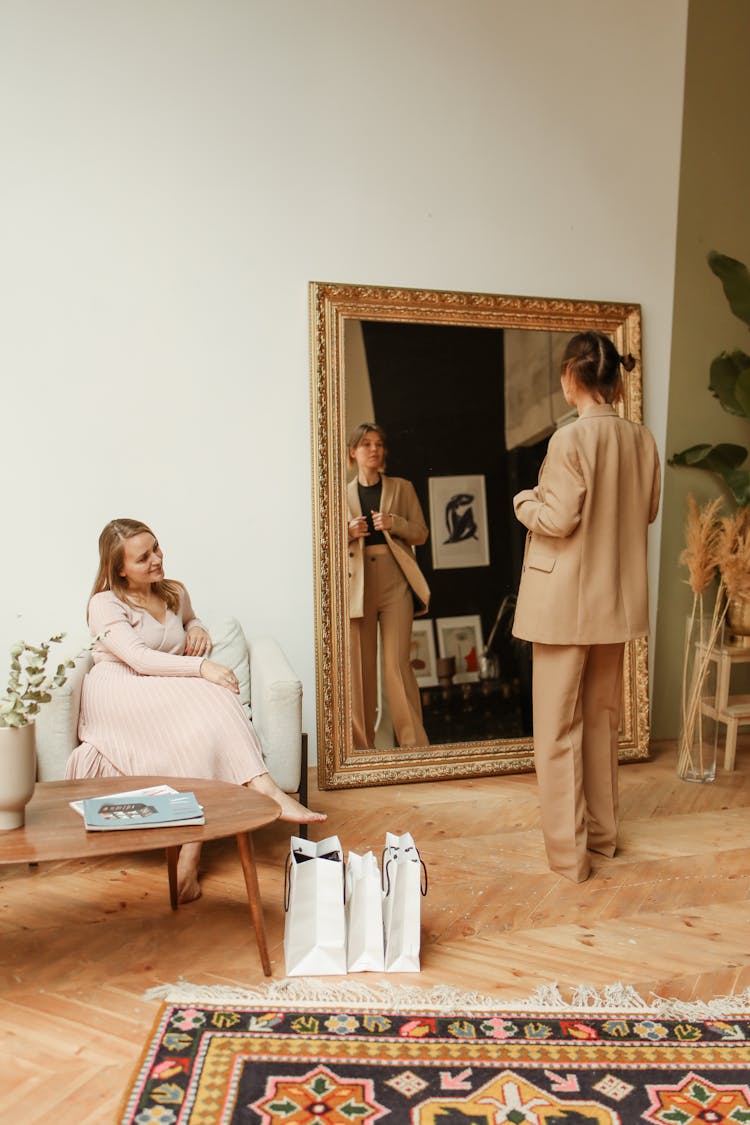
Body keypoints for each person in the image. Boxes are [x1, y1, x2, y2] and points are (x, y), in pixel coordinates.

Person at [66, 518, 325, 903]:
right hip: (117, 690)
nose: (156, 559)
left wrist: (198, 626)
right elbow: (138, 658)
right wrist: (202, 666)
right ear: (119, 568)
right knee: (214, 691)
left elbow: (189, 619)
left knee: (202, 723)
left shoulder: (173, 592)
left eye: (156, 547)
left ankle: (189, 856)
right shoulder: (104, 604)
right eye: (143, 557)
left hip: (162, 688)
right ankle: (265, 789)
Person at [511, 332, 660, 883]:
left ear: (573, 374)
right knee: (600, 722)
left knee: (556, 732)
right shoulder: (642, 440)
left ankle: (570, 860)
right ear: (613, 378)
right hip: (613, 604)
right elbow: (644, 511)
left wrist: (524, 499)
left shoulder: (568, 441)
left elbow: (557, 518)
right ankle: (601, 838)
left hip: (562, 606)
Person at [347, 423, 430, 750]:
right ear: (353, 451)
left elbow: (421, 533)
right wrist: (347, 531)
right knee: (361, 669)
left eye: (379, 444)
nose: (374, 449)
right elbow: (322, 545)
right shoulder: (340, 495)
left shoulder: (402, 488)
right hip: (358, 586)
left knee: (397, 665)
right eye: (366, 444)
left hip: (396, 581)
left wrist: (395, 523)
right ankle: (361, 751)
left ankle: (415, 748)